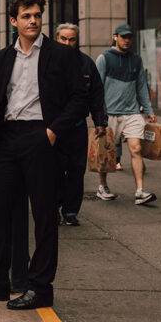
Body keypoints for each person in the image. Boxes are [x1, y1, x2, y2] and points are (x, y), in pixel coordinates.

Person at [0, 0, 87, 310]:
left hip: (41, 136)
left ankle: (40, 288)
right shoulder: (4, 57)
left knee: (44, 215)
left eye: (37, 15)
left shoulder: (61, 54)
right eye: (26, 16)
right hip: (8, 139)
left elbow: (79, 99)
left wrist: (53, 131)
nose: (33, 21)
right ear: (14, 21)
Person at [53, 23, 108, 225]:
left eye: (72, 39)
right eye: (63, 39)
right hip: (54, 127)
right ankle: (54, 207)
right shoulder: (47, 62)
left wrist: (100, 121)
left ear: (77, 41)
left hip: (77, 127)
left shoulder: (86, 63)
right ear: (57, 39)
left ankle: (70, 211)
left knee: (76, 170)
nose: (68, 43)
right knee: (54, 169)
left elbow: (96, 93)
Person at [96, 23, 157, 205]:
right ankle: (102, 186)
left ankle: (140, 191)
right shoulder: (104, 59)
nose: (127, 40)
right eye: (123, 37)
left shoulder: (136, 60)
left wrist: (149, 110)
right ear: (115, 37)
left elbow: (141, 87)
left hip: (132, 113)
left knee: (136, 149)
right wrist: (99, 115)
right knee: (107, 154)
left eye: (129, 37)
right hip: (110, 114)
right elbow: (96, 88)